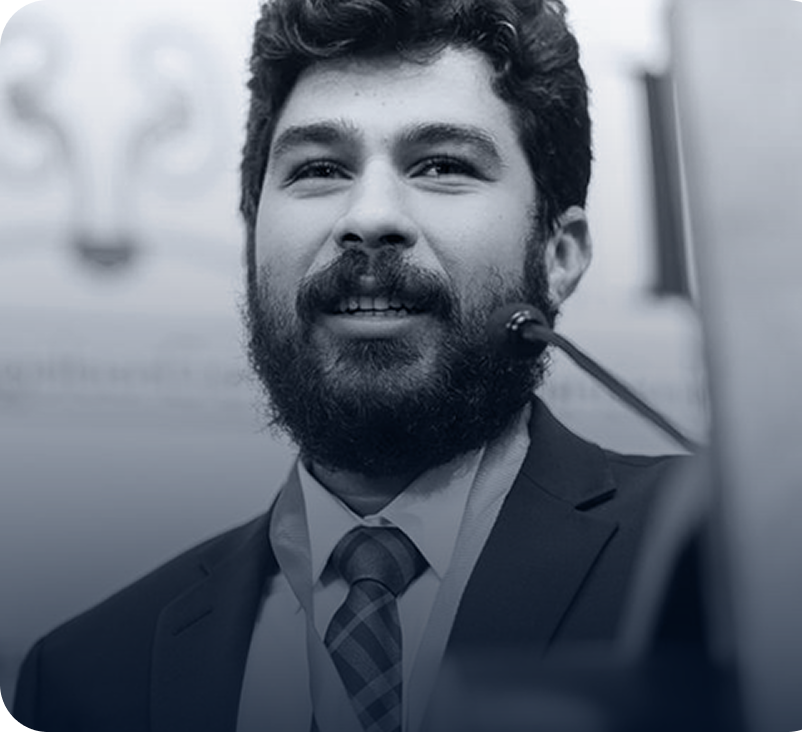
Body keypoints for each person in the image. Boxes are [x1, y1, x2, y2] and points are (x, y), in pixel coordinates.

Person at [12, 1, 686, 731]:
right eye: (320, 169)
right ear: (252, 241)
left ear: (560, 255)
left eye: (442, 165)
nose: (368, 216)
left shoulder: (726, 570)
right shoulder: (84, 677)